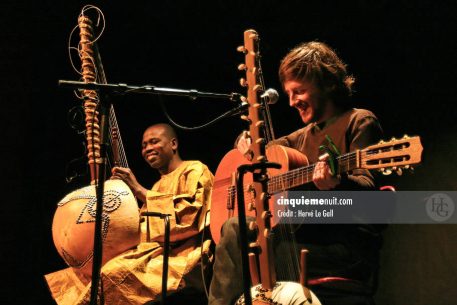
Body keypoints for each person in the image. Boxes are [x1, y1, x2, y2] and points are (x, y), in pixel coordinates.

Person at [208, 42, 384, 305]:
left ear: (328, 84)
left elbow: (370, 192)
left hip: (342, 248)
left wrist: (338, 182)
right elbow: (257, 152)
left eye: (299, 91)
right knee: (236, 229)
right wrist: (243, 142)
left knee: (245, 243)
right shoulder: (298, 139)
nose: (292, 102)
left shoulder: (359, 121)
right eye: (288, 93)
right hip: (304, 238)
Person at [46, 123, 214, 305]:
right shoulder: (158, 186)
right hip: (156, 251)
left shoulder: (195, 169)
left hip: (185, 255)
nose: (148, 148)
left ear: (173, 144)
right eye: (144, 145)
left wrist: (139, 190)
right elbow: (142, 227)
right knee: (81, 275)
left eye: (154, 142)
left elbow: (191, 215)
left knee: (113, 272)